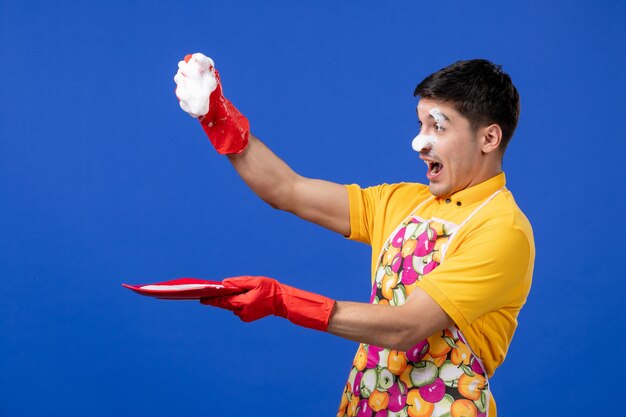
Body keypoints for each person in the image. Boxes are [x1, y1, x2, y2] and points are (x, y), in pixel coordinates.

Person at [174, 54, 535, 417]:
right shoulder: (403, 202)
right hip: (367, 404)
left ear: (489, 138)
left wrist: (284, 300)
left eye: (438, 127)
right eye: (420, 125)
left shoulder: (503, 229)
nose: (419, 143)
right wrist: (216, 116)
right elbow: (287, 189)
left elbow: (407, 326)